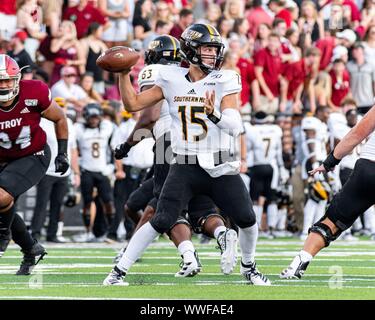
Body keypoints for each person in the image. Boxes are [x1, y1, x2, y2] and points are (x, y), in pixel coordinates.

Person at [103, 23, 270, 286]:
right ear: (190, 50)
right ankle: (117, 273)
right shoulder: (171, 79)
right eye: (206, 49)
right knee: (161, 219)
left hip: (218, 164)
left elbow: (235, 125)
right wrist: (123, 74)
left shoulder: (224, 79)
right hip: (184, 163)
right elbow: (133, 104)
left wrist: (213, 114)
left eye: (215, 50)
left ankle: (249, 268)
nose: (212, 55)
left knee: (247, 219)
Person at [279, 103, 375, 279]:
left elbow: (356, 134)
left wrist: (329, 163)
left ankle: (299, 262)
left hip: (368, 169)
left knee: (331, 221)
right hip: (368, 166)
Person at [0, 54, 69, 274]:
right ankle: (31, 248)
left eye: (7, 80)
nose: (3, 85)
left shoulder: (34, 92)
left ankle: (2, 236)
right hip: (5, 157)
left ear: (17, 79)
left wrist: (63, 153)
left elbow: (60, 118)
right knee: (3, 205)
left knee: (1, 198)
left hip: (33, 153)